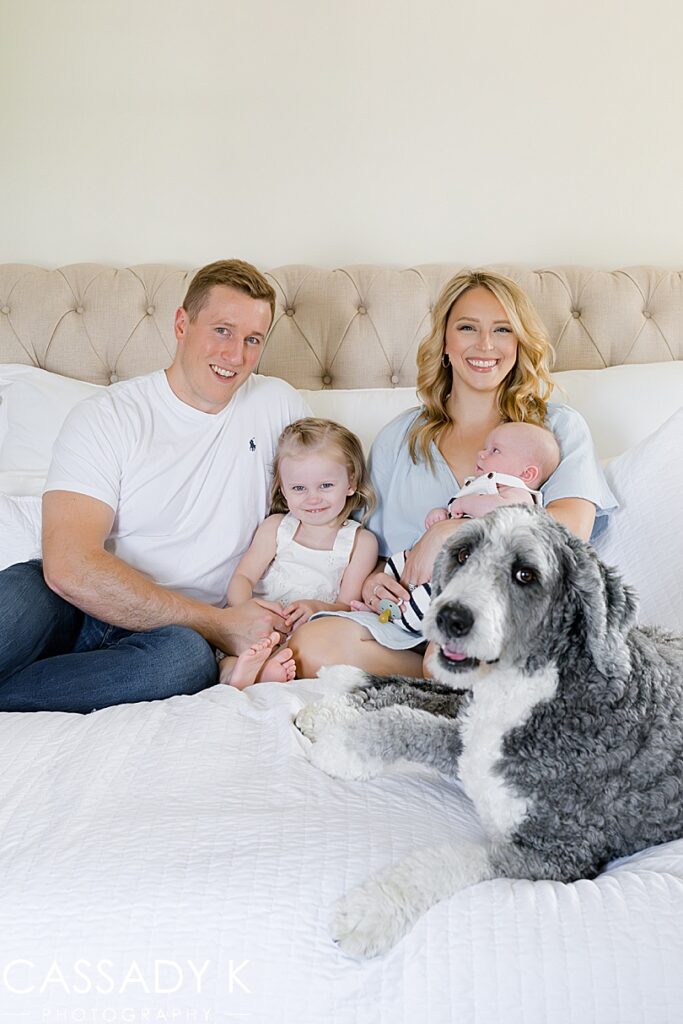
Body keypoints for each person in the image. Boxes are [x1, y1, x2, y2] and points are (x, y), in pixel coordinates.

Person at [0, 259, 310, 713]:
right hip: (76, 603)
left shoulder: (278, 405)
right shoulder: (110, 415)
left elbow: (333, 497)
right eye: (222, 330)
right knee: (22, 599)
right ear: (182, 324)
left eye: (252, 339)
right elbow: (69, 566)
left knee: (185, 664)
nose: (236, 355)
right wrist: (221, 624)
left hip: (173, 638)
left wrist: (380, 571)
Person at [287, 269, 617, 679]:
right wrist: (373, 583)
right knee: (310, 647)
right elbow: (373, 549)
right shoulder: (400, 439)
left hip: (506, 614)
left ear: (519, 343)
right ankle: (439, 672)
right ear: (445, 341)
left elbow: (569, 535)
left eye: (502, 330)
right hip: (412, 624)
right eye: (467, 328)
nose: (485, 345)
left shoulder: (556, 428)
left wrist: (448, 533)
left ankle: (451, 669)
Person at [220, 418, 378, 689]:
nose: (312, 498)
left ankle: (266, 673)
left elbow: (347, 606)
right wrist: (245, 610)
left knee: (304, 655)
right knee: (228, 657)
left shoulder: (360, 542)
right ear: (283, 489)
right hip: (257, 627)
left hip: (307, 636)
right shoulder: (276, 528)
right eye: (299, 488)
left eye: (326, 486)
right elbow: (243, 577)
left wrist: (316, 608)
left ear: (350, 482)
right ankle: (239, 675)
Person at [372, 420, 562, 634]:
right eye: (485, 448)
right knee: (400, 563)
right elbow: (458, 516)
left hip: (468, 569)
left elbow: (504, 513)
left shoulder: (517, 492)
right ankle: (384, 602)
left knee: (432, 595)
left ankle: (402, 618)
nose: (481, 454)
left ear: (526, 474)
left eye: (495, 451)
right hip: (435, 555)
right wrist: (442, 515)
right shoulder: (478, 485)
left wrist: (464, 504)